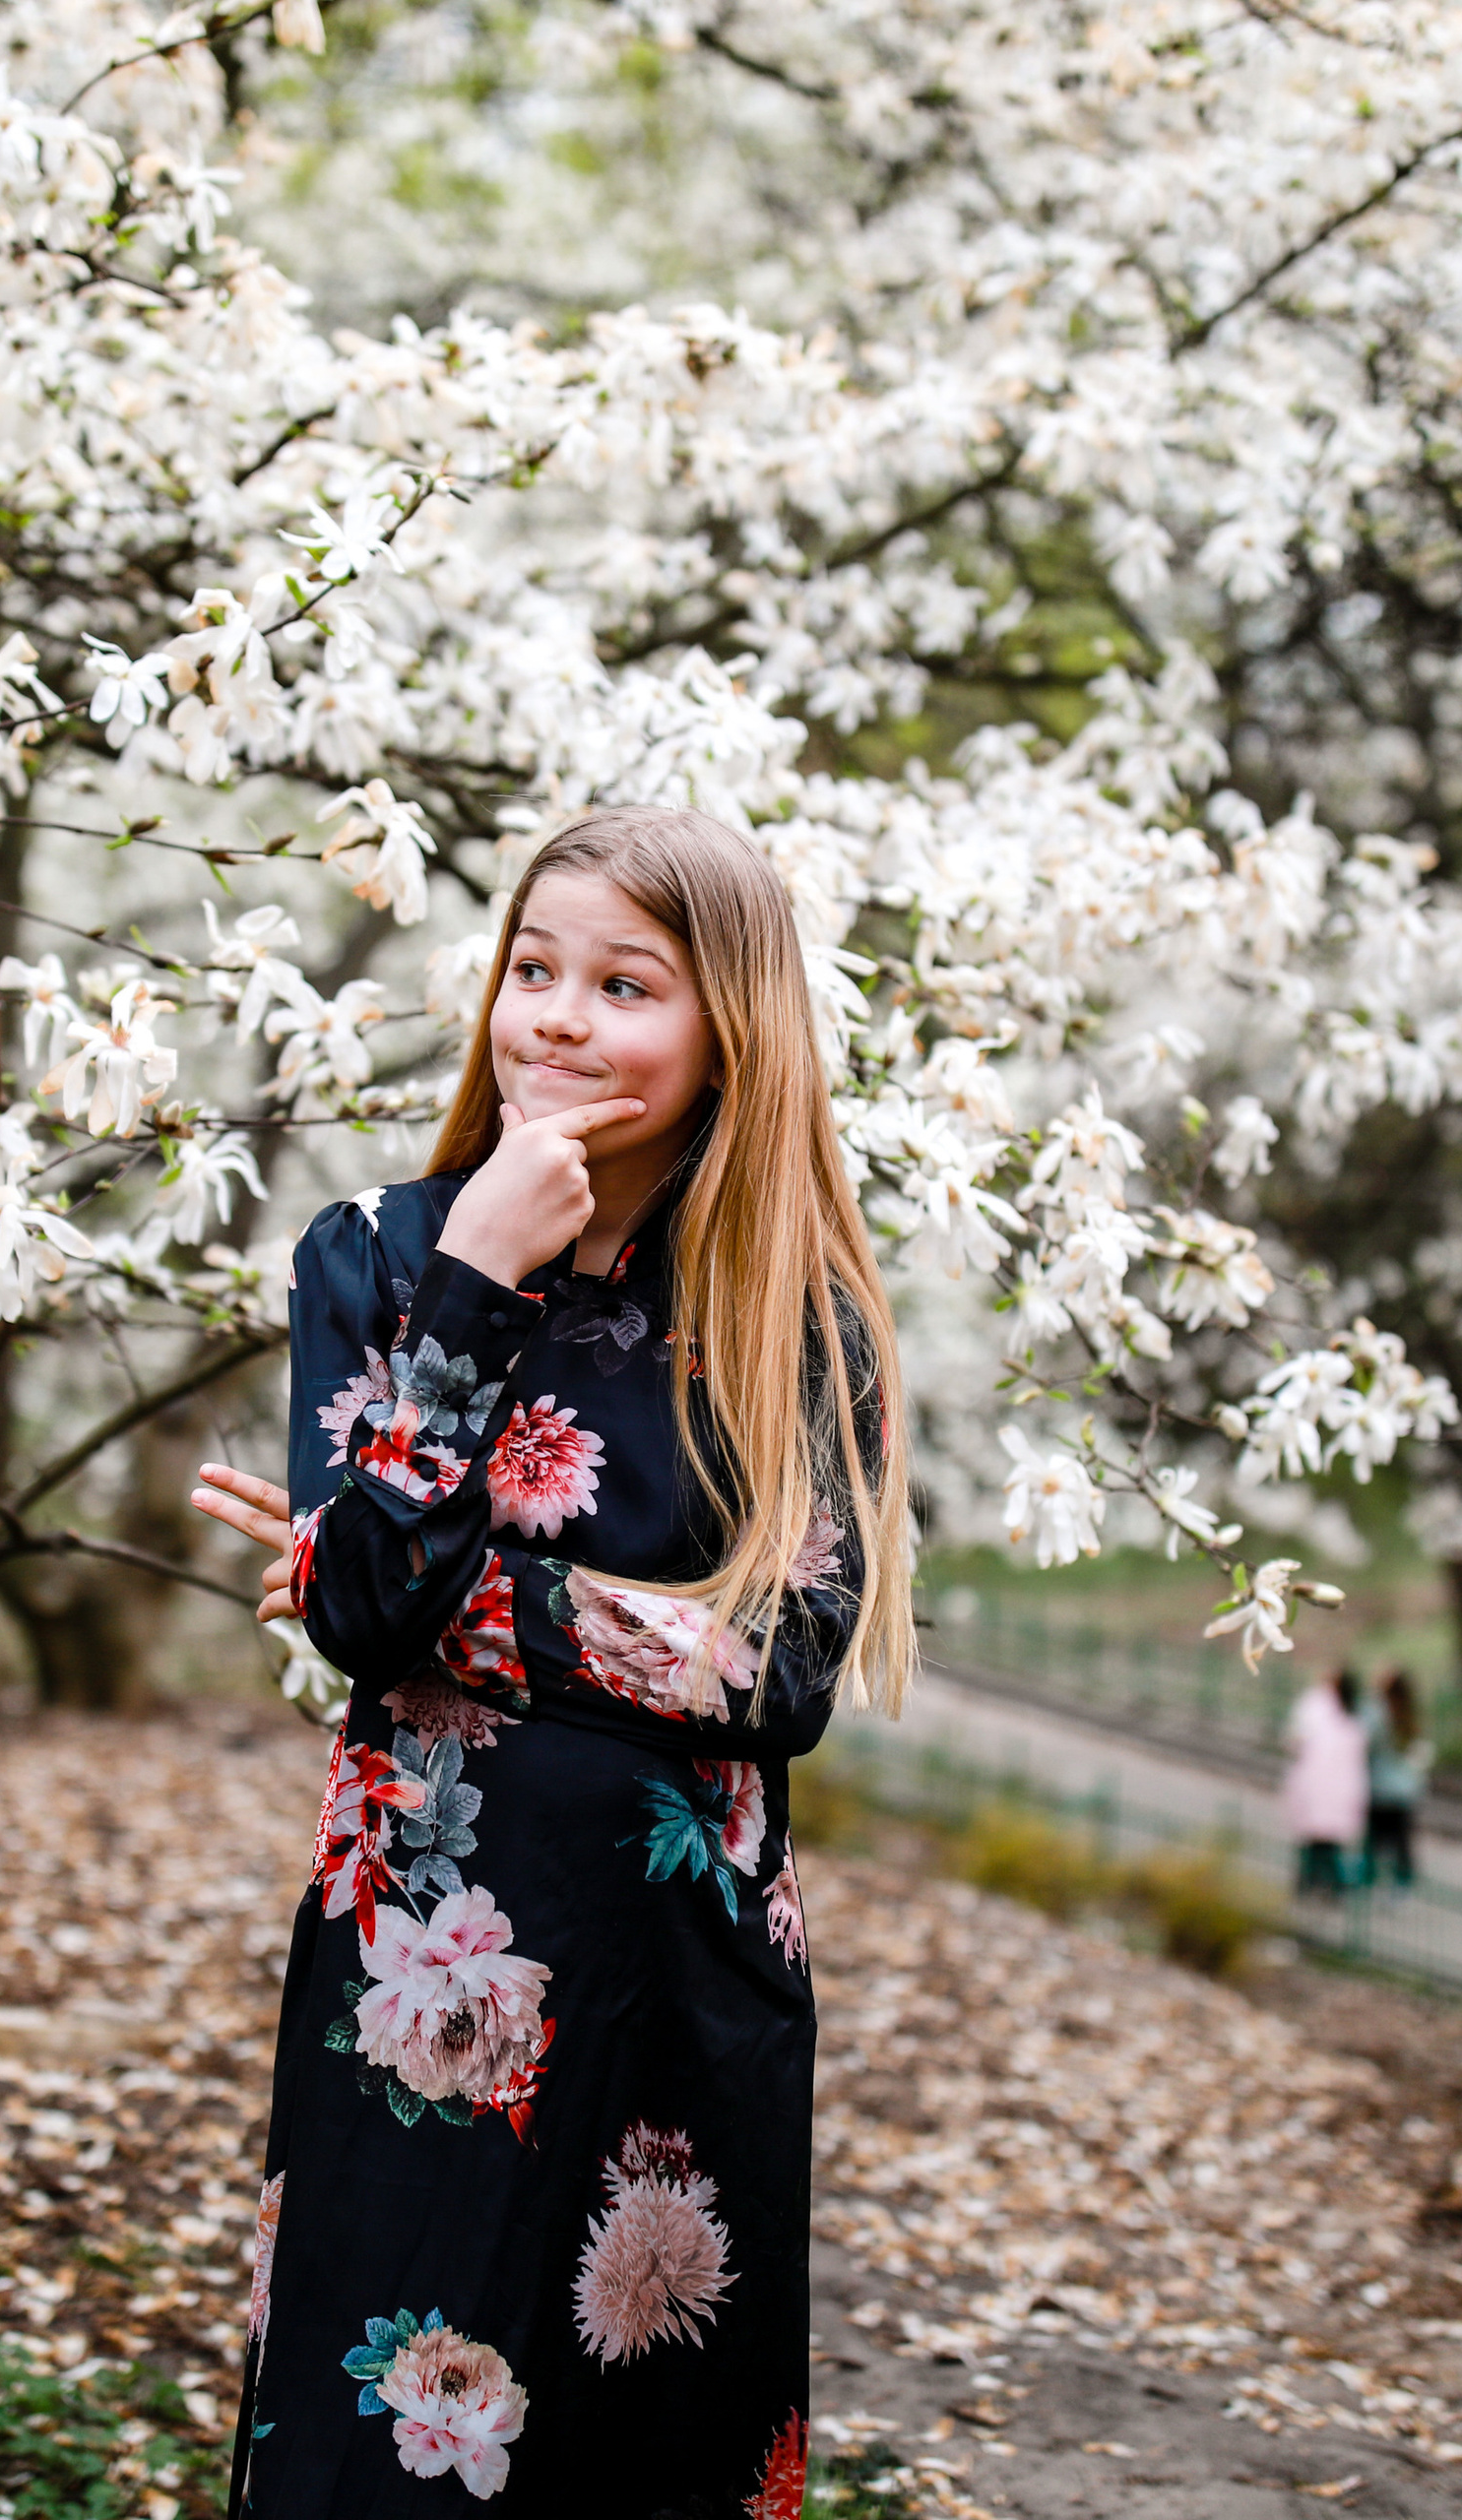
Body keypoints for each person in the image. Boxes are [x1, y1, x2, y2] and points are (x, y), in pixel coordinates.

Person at [189, 804, 915, 2518]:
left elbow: (777, 1677)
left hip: (676, 1984)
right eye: (534, 970)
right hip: (419, 1978)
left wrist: (456, 1594)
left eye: (625, 985)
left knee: (636, 2470)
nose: (561, 1020)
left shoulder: (792, 1317)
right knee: (377, 2453)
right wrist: (479, 1280)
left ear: (729, 1028)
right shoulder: (375, 1260)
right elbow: (368, 1617)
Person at [1283, 1667, 1367, 1899]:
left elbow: (1296, 1739)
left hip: (1322, 1787)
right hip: (1330, 1789)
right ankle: (1320, 1884)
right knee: (1324, 1843)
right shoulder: (1350, 1715)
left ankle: (1315, 1884)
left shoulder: (1316, 1707)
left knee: (1318, 1843)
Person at [1362, 1667, 1429, 1888]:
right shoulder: (1410, 1715)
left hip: (1380, 1787)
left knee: (1375, 1839)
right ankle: (1402, 1880)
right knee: (1401, 1840)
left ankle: (1372, 1877)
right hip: (1405, 1789)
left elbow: (1367, 1741)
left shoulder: (1378, 1713)